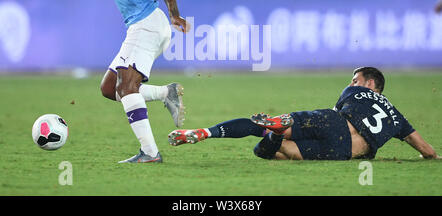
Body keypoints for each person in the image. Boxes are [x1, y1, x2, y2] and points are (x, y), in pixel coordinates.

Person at [75, 0, 190, 163]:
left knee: (127, 88)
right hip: (139, 27)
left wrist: (174, 13)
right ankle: (165, 93)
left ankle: (150, 153)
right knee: (109, 88)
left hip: (147, 25)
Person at [169, 67, 439, 160]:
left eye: (356, 79)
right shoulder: (397, 117)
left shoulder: (355, 91)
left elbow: (335, 116)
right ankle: (273, 134)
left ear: (370, 84)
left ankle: (209, 132)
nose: (353, 83)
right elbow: (427, 150)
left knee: (266, 128)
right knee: (284, 153)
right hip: (345, 153)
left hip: (335, 124)